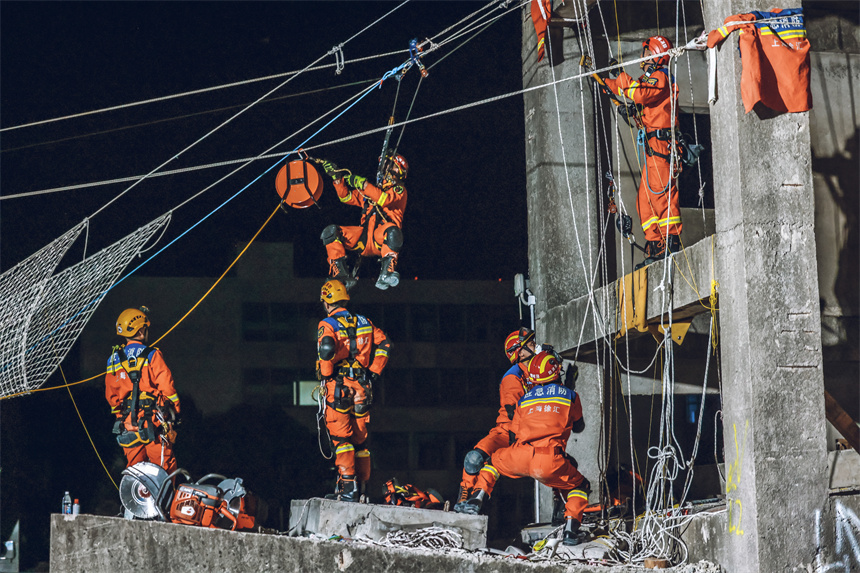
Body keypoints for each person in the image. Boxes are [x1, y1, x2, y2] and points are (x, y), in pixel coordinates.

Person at [455, 351, 591, 546]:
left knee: (492, 463)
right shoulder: (570, 395)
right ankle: (570, 531)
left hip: (519, 454)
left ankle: (477, 498)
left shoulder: (524, 399)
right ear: (556, 372)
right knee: (580, 486)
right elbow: (579, 427)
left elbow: (515, 433)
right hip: (549, 460)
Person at [600, 36, 684, 268]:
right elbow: (637, 94)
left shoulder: (660, 77)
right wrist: (606, 81)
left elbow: (639, 93)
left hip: (661, 147)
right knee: (645, 201)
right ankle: (655, 246)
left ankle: (671, 243)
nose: (642, 60)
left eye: (646, 54)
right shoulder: (654, 78)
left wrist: (619, 77)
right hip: (652, 147)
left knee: (660, 196)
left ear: (655, 55)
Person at [317, 279, 391, 501]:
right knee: (361, 441)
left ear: (327, 301)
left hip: (339, 388)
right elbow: (385, 343)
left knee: (341, 440)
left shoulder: (327, 324)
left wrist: (327, 375)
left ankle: (348, 488)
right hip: (362, 387)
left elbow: (327, 349)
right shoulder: (364, 321)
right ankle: (363, 487)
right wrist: (374, 372)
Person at [455, 328, 537, 506]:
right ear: (519, 352)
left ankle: (476, 499)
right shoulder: (513, 376)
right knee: (474, 459)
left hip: (531, 432)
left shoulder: (538, 371)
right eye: (529, 343)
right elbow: (512, 411)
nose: (534, 344)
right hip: (508, 431)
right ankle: (465, 496)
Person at [317, 153, 408, 291]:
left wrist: (363, 184)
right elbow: (346, 197)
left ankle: (387, 272)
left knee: (393, 231)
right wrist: (337, 179)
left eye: (390, 165)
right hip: (364, 238)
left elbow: (383, 199)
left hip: (381, 239)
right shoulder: (371, 191)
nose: (385, 167)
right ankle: (340, 273)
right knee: (331, 232)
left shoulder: (399, 190)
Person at [105, 306, 180, 473]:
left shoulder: (113, 360)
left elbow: (111, 396)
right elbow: (167, 387)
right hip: (153, 422)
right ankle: (162, 500)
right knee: (162, 470)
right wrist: (175, 413)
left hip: (128, 424)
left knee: (135, 472)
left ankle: (138, 499)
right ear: (140, 331)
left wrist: (121, 416)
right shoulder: (152, 355)